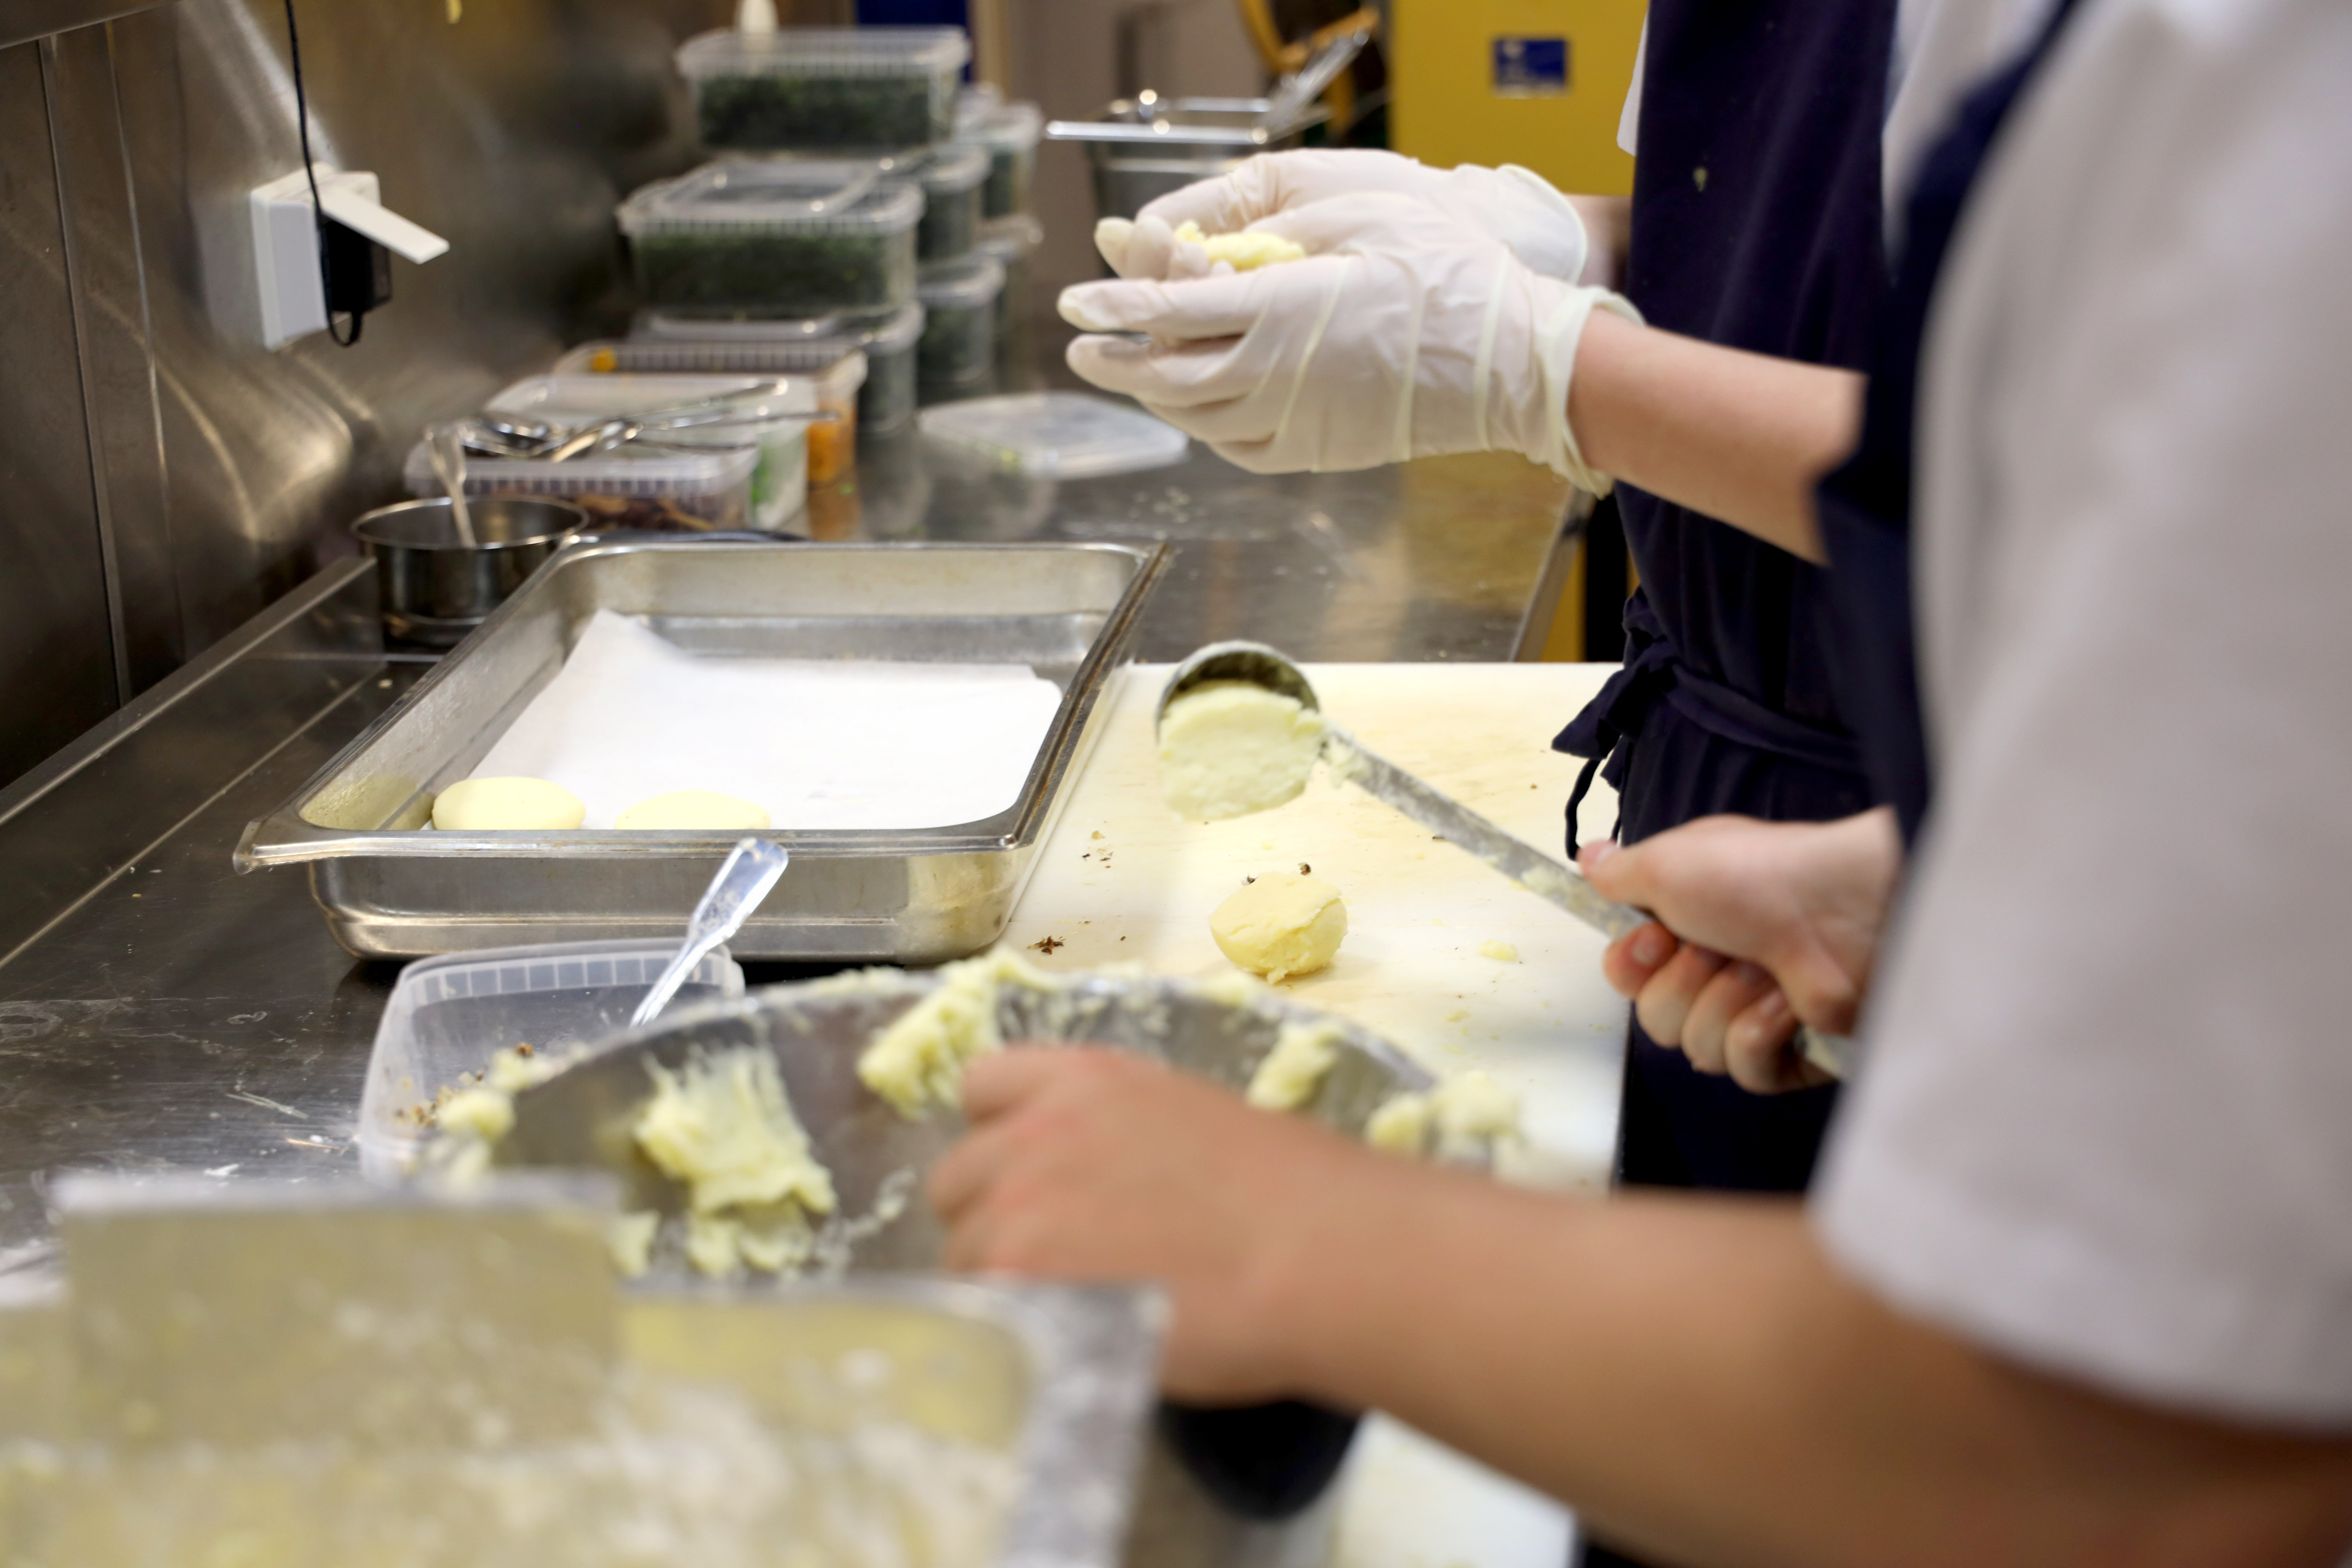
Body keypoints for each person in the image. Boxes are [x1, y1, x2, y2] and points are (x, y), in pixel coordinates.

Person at [932, 0, 2352, 1558]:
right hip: (1898, 855)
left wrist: (1299, 1241)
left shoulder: (2258, 62)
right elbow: (1833, 265)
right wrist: (1542, 246)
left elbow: (2146, 1446)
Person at [1065, 0, 1904, 1205]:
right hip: (1724, 836)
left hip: (1921, 826)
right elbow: (1771, 255)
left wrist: (1548, 370)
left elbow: (2033, 495)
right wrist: (1547, 245)